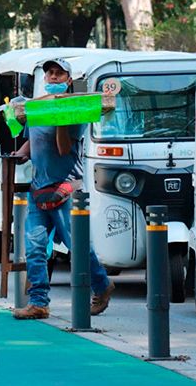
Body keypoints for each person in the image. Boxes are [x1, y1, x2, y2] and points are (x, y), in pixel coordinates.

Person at [12, 58, 114, 320]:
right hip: (38, 189)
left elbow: (64, 149)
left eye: (60, 74)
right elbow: (30, 142)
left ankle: (102, 285)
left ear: (69, 80)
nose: (54, 77)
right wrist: (20, 154)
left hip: (66, 189)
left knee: (77, 246)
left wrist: (59, 121)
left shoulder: (76, 109)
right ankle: (38, 303)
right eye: (50, 73)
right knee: (34, 247)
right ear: (45, 79)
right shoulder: (35, 108)